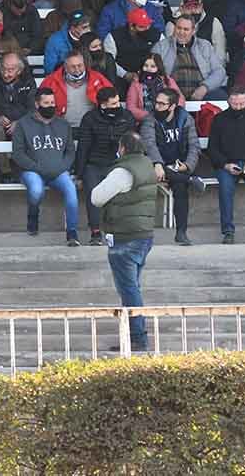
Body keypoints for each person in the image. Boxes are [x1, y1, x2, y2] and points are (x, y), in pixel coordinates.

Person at [89, 131, 157, 352]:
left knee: (128, 289)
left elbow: (97, 197)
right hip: (144, 234)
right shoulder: (147, 164)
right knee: (133, 286)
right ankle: (133, 334)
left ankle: (137, 337)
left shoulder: (122, 171)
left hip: (125, 236)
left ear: (123, 148)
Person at [11, 87, 80, 245]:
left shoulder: (63, 125)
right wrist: (37, 167)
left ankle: (72, 233)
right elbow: (18, 153)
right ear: (37, 104)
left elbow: (70, 152)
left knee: (71, 190)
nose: (50, 106)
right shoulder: (23, 124)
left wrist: (62, 166)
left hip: (58, 171)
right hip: (32, 170)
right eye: (46, 103)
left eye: (52, 103)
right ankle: (33, 217)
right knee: (36, 191)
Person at [75, 86, 137, 246]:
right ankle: (96, 232)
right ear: (103, 105)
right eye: (114, 104)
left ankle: (119, 231)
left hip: (118, 164)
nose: (118, 106)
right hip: (94, 163)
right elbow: (84, 146)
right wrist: (79, 174)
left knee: (121, 195)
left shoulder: (127, 117)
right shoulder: (89, 118)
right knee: (94, 195)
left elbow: (132, 144)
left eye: (118, 102)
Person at [142, 87, 203, 247]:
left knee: (180, 187)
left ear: (172, 106)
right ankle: (190, 180)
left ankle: (181, 232)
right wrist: (157, 163)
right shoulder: (150, 120)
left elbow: (194, 146)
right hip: (156, 166)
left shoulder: (185, 118)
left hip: (178, 167)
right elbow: (149, 144)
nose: (157, 107)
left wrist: (188, 165)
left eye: (162, 104)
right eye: (156, 103)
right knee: (180, 179)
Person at [207, 87, 245, 244]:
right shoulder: (219, 119)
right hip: (226, 165)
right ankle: (228, 231)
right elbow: (212, 148)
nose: (239, 107)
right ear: (229, 101)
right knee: (225, 190)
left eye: (242, 104)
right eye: (235, 104)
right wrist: (225, 164)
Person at [152, 15, 228, 101]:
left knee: (222, 96)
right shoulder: (161, 46)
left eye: (186, 29)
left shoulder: (205, 45)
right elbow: (152, 72)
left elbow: (219, 71)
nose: (181, 32)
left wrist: (204, 87)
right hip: (172, 93)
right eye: (179, 28)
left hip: (201, 92)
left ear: (193, 30)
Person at [0, 53, 35, 177]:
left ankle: (25, 170)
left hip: (21, 123)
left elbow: (33, 109)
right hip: (0, 125)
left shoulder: (28, 82)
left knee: (27, 129)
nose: (6, 74)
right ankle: (5, 172)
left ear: (19, 70)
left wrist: (19, 123)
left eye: (11, 70)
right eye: (3, 69)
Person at [40, 51, 113, 132]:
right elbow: (40, 106)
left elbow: (112, 100)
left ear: (84, 64)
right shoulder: (51, 81)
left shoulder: (98, 79)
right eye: (73, 67)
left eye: (80, 65)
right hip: (61, 130)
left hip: (93, 130)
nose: (77, 69)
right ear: (65, 67)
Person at [103, 7, 163, 84]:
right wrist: (125, 74)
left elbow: (164, 52)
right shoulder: (114, 37)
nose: (146, 28)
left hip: (151, 75)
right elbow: (109, 61)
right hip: (123, 78)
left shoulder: (155, 33)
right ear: (131, 26)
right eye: (141, 26)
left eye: (148, 25)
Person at [164, 0, 227, 64]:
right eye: (189, 8)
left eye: (196, 7)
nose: (193, 11)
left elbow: (220, 54)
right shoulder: (172, 25)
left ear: (201, 6)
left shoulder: (213, 22)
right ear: (182, 9)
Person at [124, 52, 184, 122]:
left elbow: (180, 100)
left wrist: (170, 113)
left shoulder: (167, 80)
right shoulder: (136, 83)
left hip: (168, 119)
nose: (148, 69)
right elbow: (131, 108)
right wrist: (149, 116)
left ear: (158, 67)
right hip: (145, 121)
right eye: (146, 65)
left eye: (153, 66)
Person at [97, 0, 166, 41]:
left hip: (147, 44)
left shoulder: (150, 7)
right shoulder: (110, 10)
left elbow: (159, 27)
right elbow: (103, 34)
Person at [43, 9, 92, 74]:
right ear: (73, 28)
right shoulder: (55, 41)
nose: (88, 30)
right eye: (84, 27)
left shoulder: (91, 37)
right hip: (63, 79)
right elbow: (49, 68)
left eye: (89, 26)